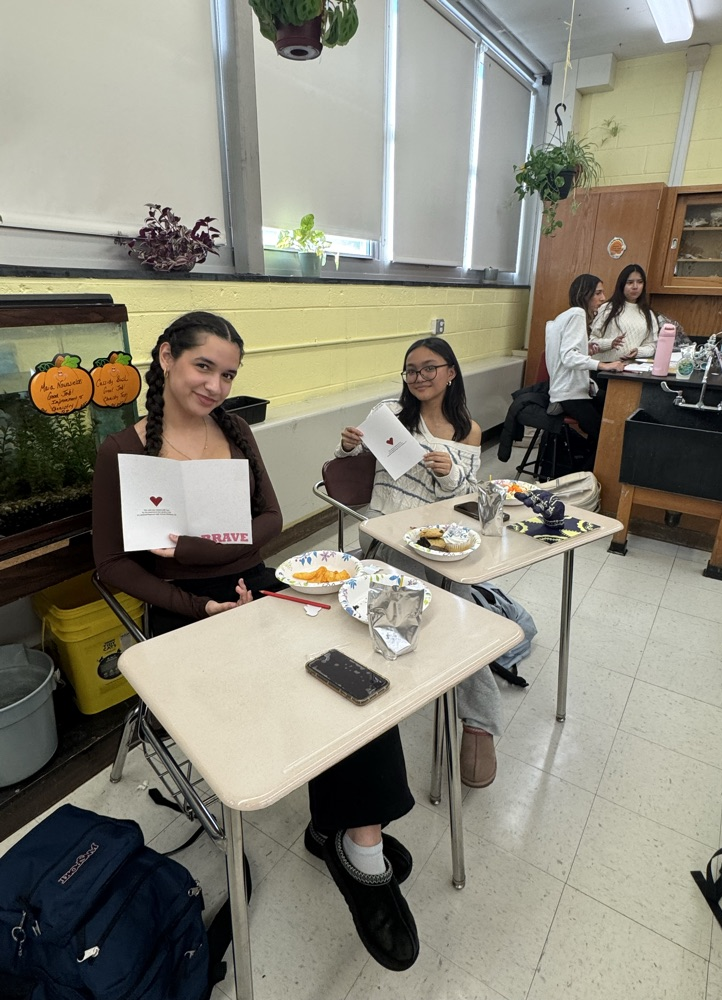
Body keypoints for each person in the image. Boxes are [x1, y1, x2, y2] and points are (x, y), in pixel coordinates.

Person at [92, 311, 419, 972]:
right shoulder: (123, 450)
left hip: (254, 585)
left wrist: (228, 554)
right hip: (185, 611)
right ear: (165, 359)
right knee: (288, 691)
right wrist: (198, 598)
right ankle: (345, 832)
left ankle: (356, 844)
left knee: (351, 672)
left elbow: (271, 515)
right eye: (203, 366)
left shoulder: (235, 429)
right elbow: (114, 565)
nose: (215, 385)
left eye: (228, 373)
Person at [336, 336, 507, 790]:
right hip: (388, 533)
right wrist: (351, 445)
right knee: (442, 610)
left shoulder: (467, 428)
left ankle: (477, 721)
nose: (419, 378)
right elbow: (350, 469)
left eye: (429, 368)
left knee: (461, 613)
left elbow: (463, 496)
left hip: (439, 538)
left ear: (451, 371)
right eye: (411, 370)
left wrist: (447, 472)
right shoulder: (389, 414)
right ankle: (467, 713)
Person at [545, 274, 626, 455]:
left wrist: (585, 350)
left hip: (566, 391)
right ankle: (589, 476)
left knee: (607, 414)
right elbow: (568, 357)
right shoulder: (577, 313)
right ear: (585, 294)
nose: (603, 298)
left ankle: (588, 471)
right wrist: (603, 365)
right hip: (570, 394)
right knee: (607, 435)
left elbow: (562, 354)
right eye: (598, 293)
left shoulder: (564, 316)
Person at [588, 263, 659, 361]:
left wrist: (638, 351)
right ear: (622, 285)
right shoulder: (608, 308)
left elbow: (652, 345)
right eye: (630, 282)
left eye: (639, 282)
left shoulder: (648, 313)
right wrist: (610, 343)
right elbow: (592, 341)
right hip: (602, 368)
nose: (635, 287)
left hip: (629, 370)